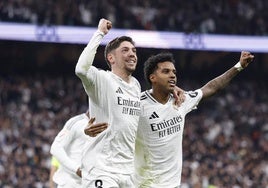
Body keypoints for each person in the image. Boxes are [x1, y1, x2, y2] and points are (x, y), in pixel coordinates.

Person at [134, 51, 254, 187]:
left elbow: (211, 88)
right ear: (153, 78)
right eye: (166, 71)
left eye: (174, 72)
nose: (172, 75)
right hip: (144, 184)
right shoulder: (138, 104)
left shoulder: (181, 100)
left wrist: (239, 66)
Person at [75, 18, 141, 188]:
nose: (132, 54)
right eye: (125, 50)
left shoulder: (136, 86)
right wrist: (100, 33)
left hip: (128, 172)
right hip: (102, 168)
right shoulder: (102, 79)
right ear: (111, 58)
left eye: (134, 50)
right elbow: (81, 69)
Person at [50, 111, 108, 188]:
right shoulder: (77, 121)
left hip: (92, 182)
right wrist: (76, 169)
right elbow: (55, 148)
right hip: (70, 183)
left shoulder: (106, 124)